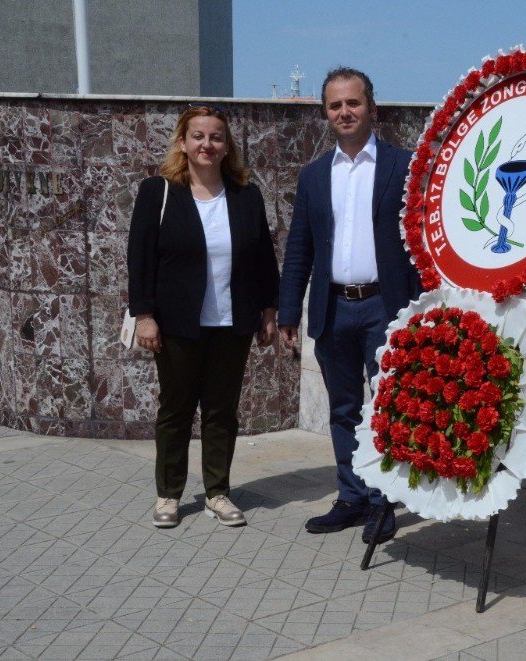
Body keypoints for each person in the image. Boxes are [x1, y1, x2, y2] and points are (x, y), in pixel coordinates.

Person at [278, 68, 421, 544]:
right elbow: (300, 247)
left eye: (352, 103)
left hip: (386, 307)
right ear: (326, 113)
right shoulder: (316, 175)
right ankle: (352, 496)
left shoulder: (403, 167)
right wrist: (287, 313)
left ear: (371, 108)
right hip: (333, 307)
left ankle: (384, 501)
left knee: (387, 407)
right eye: (335, 106)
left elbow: (420, 241)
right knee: (344, 408)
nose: (344, 112)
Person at [127, 104, 280, 529]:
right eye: (198, 136)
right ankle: (168, 495)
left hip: (232, 323)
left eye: (216, 137)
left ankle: (217, 491)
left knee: (220, 410)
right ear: (183, 143)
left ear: (226, 145)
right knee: (175, 409)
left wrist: (269, 309)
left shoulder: (246, 195)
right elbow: (139, 258)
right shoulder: (157, 192)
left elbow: (264, 258)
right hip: (176, 324)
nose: (207, 145)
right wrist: (144, 315)